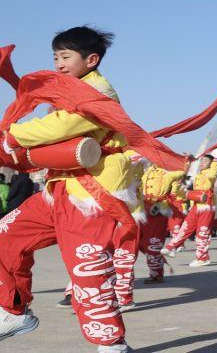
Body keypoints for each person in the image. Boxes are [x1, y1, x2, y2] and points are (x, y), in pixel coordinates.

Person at [0, 26, 134, 351]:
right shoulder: (69, 90)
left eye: (65, 56)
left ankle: (112, 344)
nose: (59, 64)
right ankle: (13, 310)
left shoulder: (99, 92)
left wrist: (13, 134)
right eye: (55, 57)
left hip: (91, 195)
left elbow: (63, 126)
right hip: (58, 188)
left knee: (87, 271)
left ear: (91, 59)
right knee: (7, 236)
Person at [161, 154, 217, 267]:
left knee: (202, 233)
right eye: (201, 161)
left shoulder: (210, 173)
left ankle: (202, 258)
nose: (202, 163)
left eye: (205, 161)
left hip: (207, 206)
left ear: (211, 163)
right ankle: (171, 247)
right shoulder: (198, 174)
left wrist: (216, 161)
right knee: (185, 227)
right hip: (196, 205)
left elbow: (213, 175)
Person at [138, 163, 186, 283]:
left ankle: (157, 274)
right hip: (143, 209)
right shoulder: (145, 170)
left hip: (158, 210)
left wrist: (184, 162)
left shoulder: (167, 172)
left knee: (153, 244)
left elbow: (181, 173)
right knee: (139, 242)